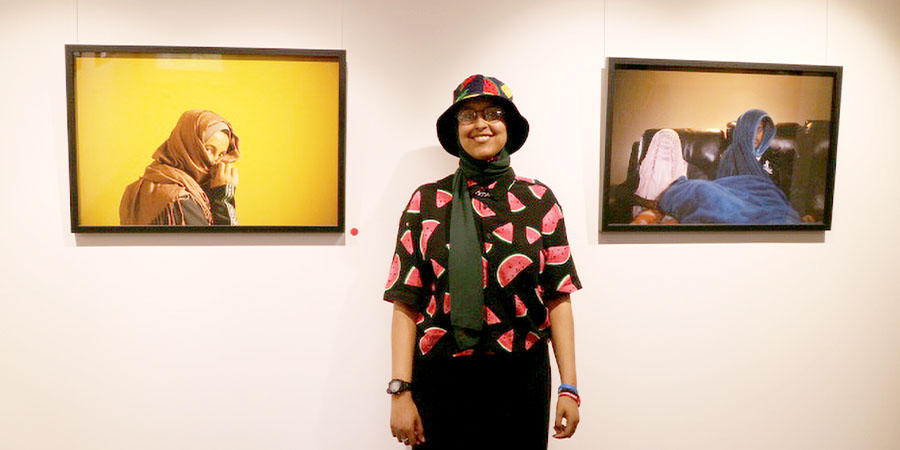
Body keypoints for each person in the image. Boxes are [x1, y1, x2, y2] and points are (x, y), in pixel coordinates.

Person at [383, 75, 582, 450]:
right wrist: (400, 391)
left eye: (493, 113)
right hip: (442, 379)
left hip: (521, 379)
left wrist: (568, 386)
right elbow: (405, 302)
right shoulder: (425, 203)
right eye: (468, 115)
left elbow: (559, 297)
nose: (481, 123)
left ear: (509, 125)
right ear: (456, 129)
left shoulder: (540, 200)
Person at [633, 109, 801, 225]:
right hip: (731, 196)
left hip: (762, 202)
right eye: (753, 129)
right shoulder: (729, 155)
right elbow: (720, 186)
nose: (757, 135)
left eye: (761, 130)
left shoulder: (776, 158)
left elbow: (778, 191)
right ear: (743, 130)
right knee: (701, 189)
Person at [119, 109, 240, 226]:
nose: (215, 161)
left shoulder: (140, 186)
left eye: (221, 154)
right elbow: (222, 245)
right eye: (208, 149)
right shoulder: (181, 200)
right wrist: (223, 198)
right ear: (188, 144)